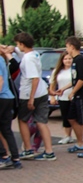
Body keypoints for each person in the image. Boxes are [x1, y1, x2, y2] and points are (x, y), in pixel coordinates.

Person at [10, 33, 56, 161]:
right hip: (42, 92)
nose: (17, 46)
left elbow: (34, 78)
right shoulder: (34, 54)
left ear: (22, 44)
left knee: (23, 120)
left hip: (29, 93)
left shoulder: (28, 59)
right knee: (41, 122)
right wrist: (12, 49)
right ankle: (49, 151)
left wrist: (31, 98)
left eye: (17, 44)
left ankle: (28, 149)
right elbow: (21, 53)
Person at [48, 51, 75, 145]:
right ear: (62, 60)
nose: (68, 61)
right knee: (65, 117)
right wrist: (52, 97)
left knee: (74, 118)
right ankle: (67, 136)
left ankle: (78, 136)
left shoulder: (74, 70)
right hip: (62, 97)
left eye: (70, 59)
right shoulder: (57, 71)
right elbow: (52, 84)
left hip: (73, 97)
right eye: (65, 59)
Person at [0, 48, 21, 169]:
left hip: (1, 97)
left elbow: (0, 80)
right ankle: (15, 158)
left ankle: (3, 156)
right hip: (8, 97)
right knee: (6, 129)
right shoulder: (2, 60)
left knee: (5, 129)